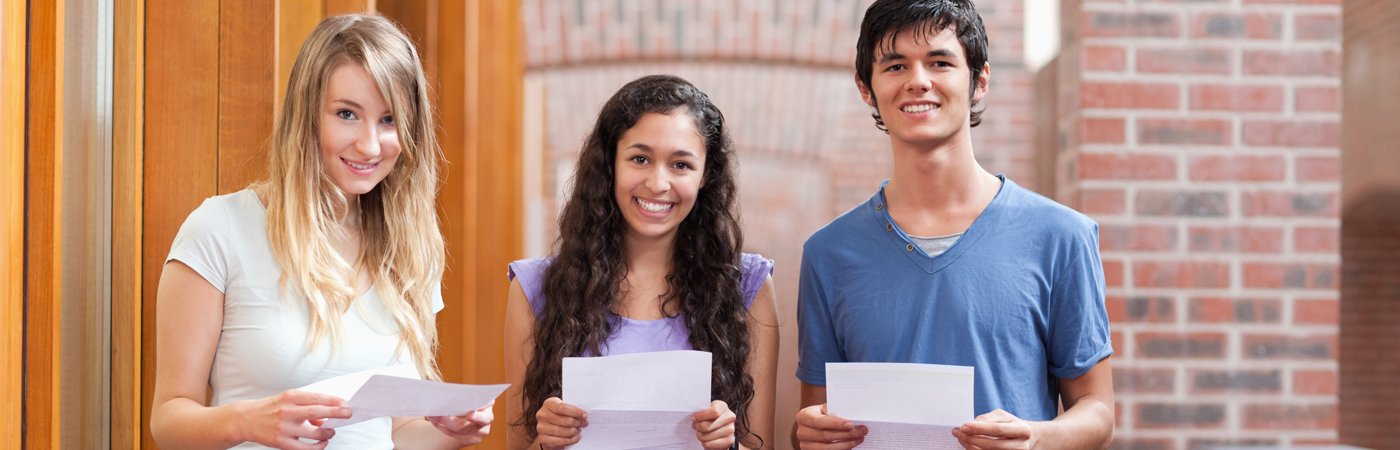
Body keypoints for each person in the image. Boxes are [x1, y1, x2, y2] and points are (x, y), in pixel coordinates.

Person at [150, 14, 492, 449]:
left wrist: (453, 433)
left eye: (389, 120)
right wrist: (248, 422)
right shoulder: (219, 230)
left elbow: (395, 434)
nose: (370, 145)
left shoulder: (410, 249)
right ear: (306, 114)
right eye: (347, 114)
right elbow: (168, 421)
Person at [792, 1, 1115, 449]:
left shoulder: (1062, 238)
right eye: (895, 65)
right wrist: (806, 434)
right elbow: (816, 416)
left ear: (979, 79)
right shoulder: (827, 254)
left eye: (940, 62)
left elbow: (1098, 412)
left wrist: (1036, 438)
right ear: (866, 88)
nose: (918, 81)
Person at [502, 74, 779, 450]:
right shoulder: (535, 287)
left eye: (680, 165)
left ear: (705, 176)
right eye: (640, 158)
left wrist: (727, 445)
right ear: (610, 163)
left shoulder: (747, 285)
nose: (657, 183)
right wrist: (546, 443)